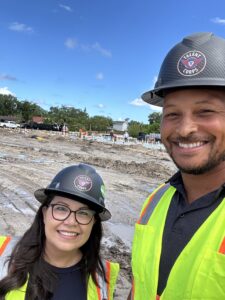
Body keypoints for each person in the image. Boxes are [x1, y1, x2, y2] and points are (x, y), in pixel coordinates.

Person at [128, 32, 225, 299]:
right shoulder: (155, 202)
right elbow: (138, 286)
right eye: (172, 114)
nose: (185, 129)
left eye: (205, 111)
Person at [0, 163, 119, 300]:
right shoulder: (2, 252)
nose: (71, 222)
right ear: (45, 213)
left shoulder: (104, 277)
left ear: (94, 222)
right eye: (61, 208)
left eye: (83, 213)